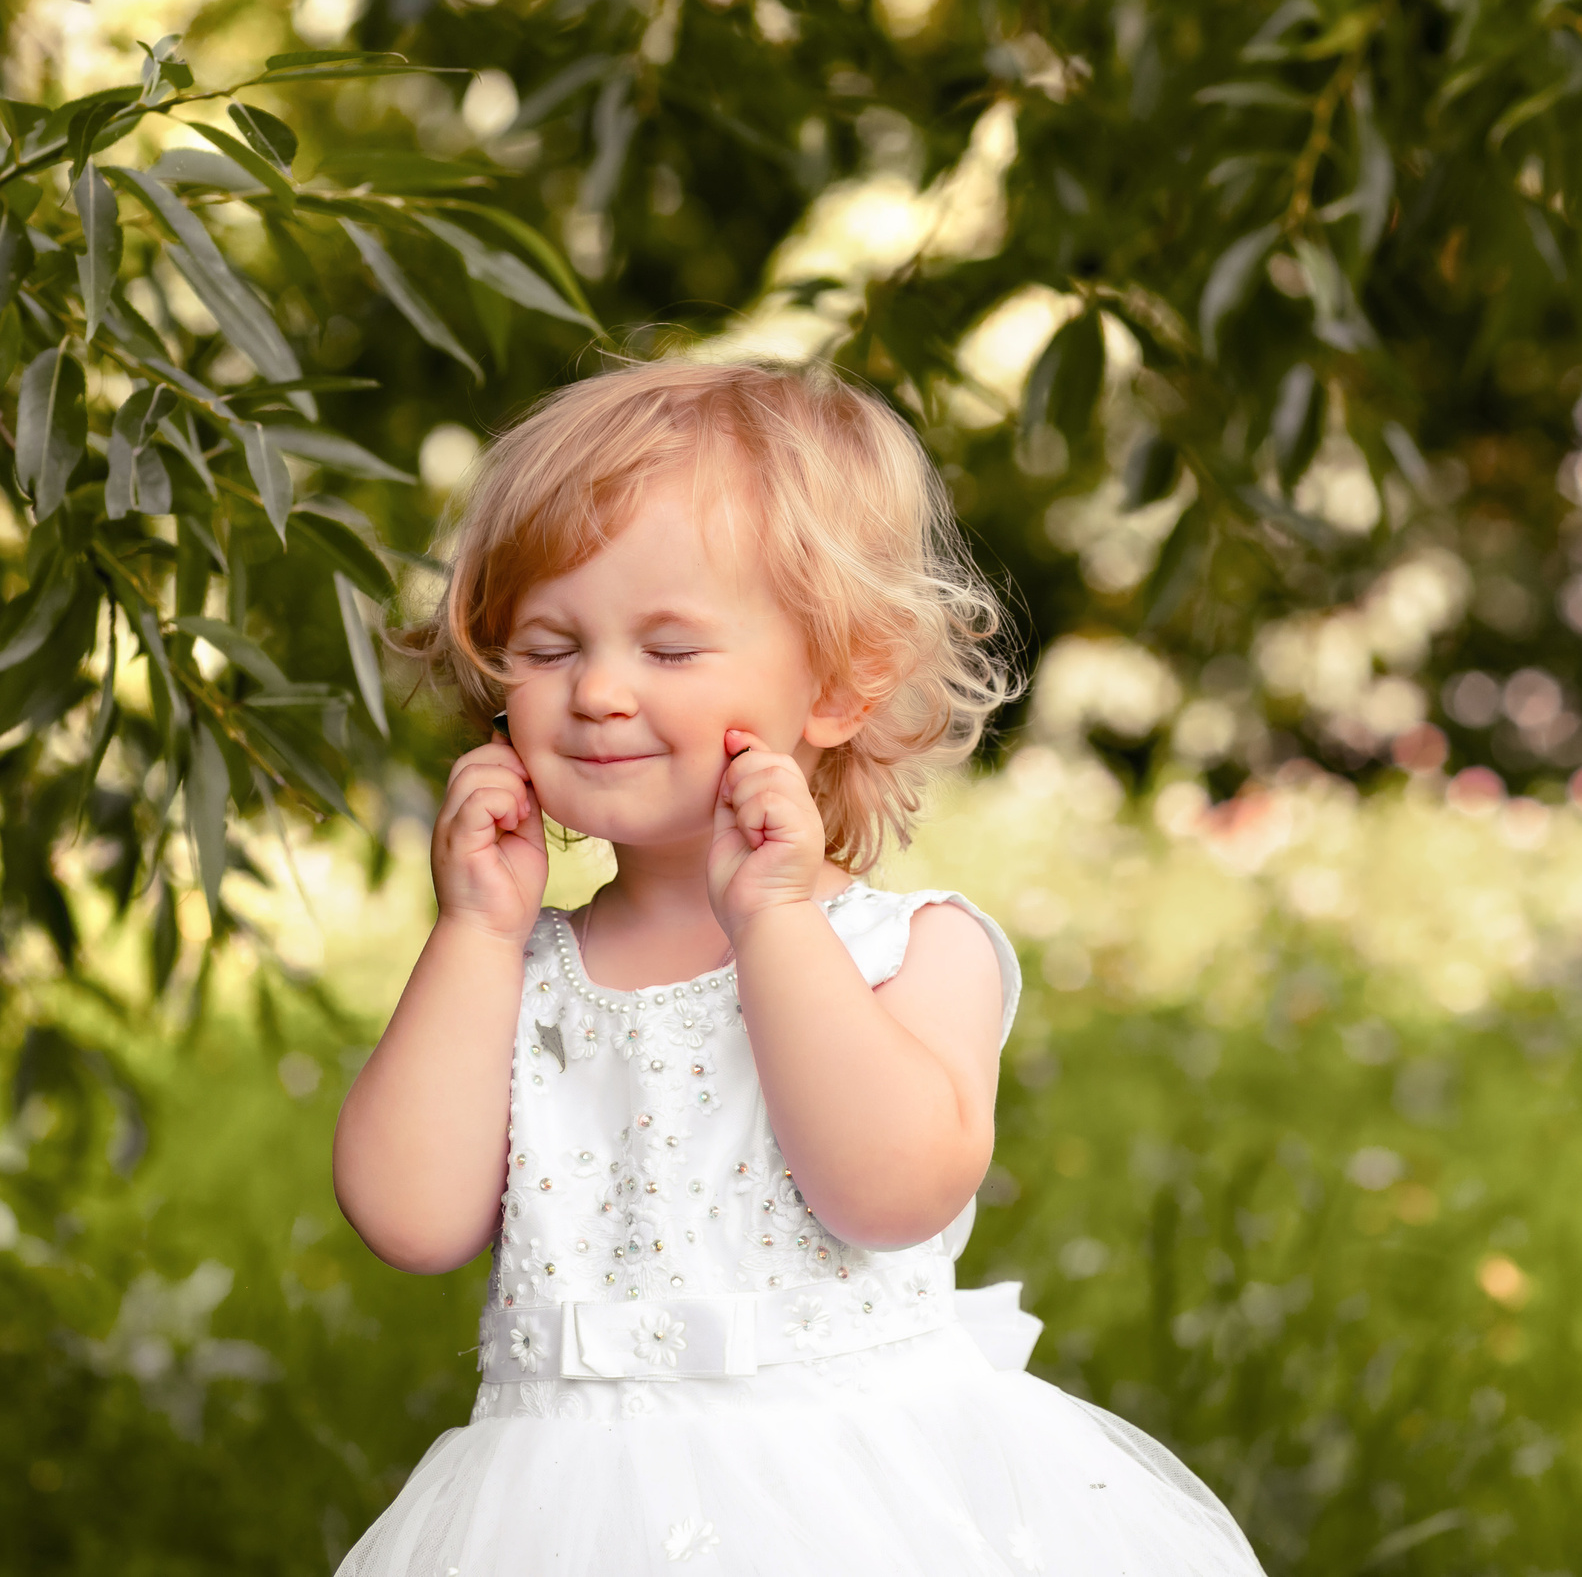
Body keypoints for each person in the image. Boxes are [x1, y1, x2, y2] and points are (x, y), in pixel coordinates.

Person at [332, 359, 1265, 1573]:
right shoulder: (513, 971)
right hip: (561, 1513)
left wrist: (775, 922)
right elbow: (407, 1218)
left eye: (669, 651)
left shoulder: (913, 951)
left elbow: (890, 1192)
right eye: (549, 647)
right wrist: (473, 933)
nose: (599, 692)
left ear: (836, 683)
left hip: (851, 1502)